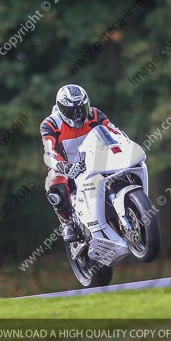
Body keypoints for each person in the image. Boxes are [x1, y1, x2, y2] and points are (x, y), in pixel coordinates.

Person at [40, 84, 123, 242]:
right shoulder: (50, 124)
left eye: (82, 108)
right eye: (72, 111)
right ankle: (67, 222)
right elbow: (49, 151)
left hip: (96, 161)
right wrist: (63, 166)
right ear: (61, 109)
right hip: (66, 166)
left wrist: (126, 143)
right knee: (54, 184)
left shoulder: (95, 114)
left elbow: (114, 131)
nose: (78, 115)